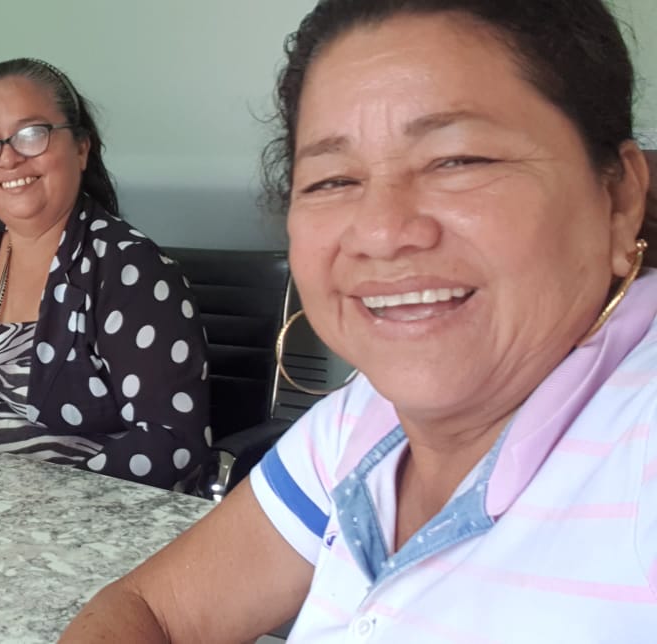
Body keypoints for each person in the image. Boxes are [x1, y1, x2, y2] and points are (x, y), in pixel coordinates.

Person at [62, 0, 657, 641]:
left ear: (618, 198)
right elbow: (154, 610)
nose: (381, 231)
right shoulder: (363, 422)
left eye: (459, 160)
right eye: (333, 180)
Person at [0, 58, 210, 491]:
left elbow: (172, 442)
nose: (7, 158)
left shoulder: (130, 268)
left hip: (72, 515)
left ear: (81, 148)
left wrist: (45, 505)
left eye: (31, 134)